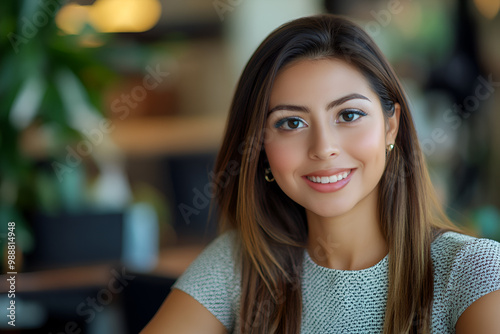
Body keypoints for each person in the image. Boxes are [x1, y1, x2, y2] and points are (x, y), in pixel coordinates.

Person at [141, 14, 500, 334]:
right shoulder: (239, 265)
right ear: (260, 146)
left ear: (391, 127)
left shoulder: (471, 272)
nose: (323, 148)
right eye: (291, 122)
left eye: (348, 115)